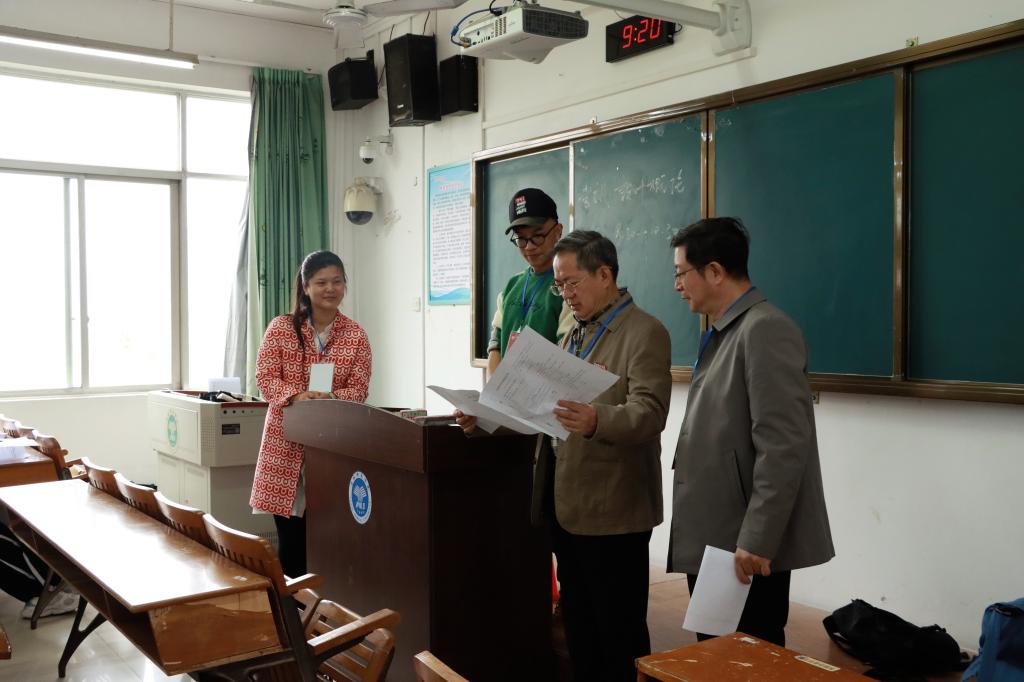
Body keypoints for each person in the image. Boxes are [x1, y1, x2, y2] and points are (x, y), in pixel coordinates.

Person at [668, 217, 834, 647]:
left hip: (743, 541)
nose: (677, 285)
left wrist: (758, 538)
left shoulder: (764, 329)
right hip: (719, 533)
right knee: (716, 652)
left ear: (715, 271)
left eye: (681, 273)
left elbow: (783, 445)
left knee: (748, 655)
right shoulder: (726, 330)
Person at [547, 230, 671, 681]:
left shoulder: (644, 332)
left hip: (616, 511)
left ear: (605, 274)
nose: (566, 294)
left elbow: (650, 412)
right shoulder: (573, 333)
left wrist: (597, 419)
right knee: (580, 631)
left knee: (619, 635)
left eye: (572, 282)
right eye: (559, 285)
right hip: (569, 507)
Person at [249, 250, 371, 578]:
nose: (330, 289)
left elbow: (359, 389)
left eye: (337, 281)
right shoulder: (281, 328)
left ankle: (323, 608)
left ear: (345, 285)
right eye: (321, 282)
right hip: (284, 448)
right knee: (291, 546)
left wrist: (328, 397)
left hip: (333, 449)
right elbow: (265, 378)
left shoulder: (356, 335)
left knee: (329, 543)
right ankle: (291, 607)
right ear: (305, 287)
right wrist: (298, 396)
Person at [485, 187, 573, 377]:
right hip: (506, 392)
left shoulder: (570, 288)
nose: (529, 247)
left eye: (538, 236)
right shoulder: (511, 287)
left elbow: (567, 354)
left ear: (558, 231)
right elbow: (495, 345)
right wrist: (493, 390)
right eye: (521, 239)